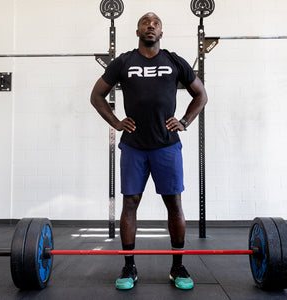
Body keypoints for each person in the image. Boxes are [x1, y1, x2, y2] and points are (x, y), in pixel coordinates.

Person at [90, 12, 208, 290]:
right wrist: (116, 122)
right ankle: (129, 266)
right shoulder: (124, 62)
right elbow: (96, 95)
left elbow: (201, 95)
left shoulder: (174, 61)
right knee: (130, 203)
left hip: (167, 146)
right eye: (145, 22)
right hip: (134, 147)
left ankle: (178, 266)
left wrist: (185, 122)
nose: (150, 26)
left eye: (155, 23)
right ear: (138, 31)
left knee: (174, 204)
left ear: (161, 33)